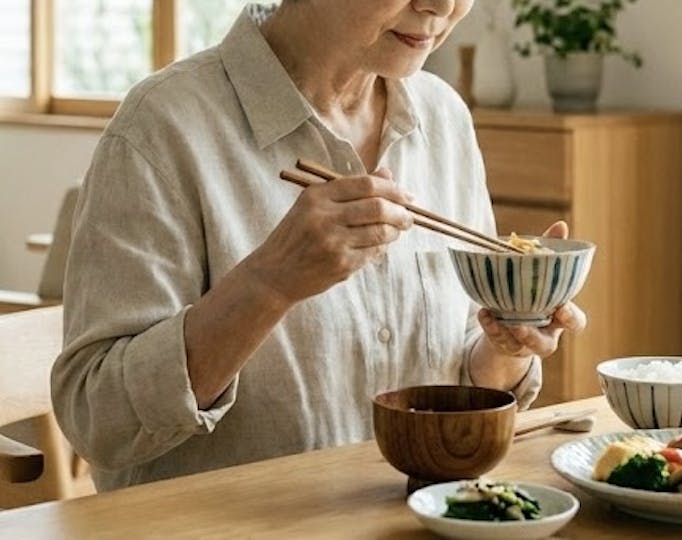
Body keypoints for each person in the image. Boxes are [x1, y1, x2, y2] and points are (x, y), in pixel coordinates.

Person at [51, 0, 587, 492]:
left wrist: (503, 347)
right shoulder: (163, 126)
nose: (441, 6)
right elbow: (100, 422)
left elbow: (457, 370)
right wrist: (268, 284)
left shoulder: (442, 118)